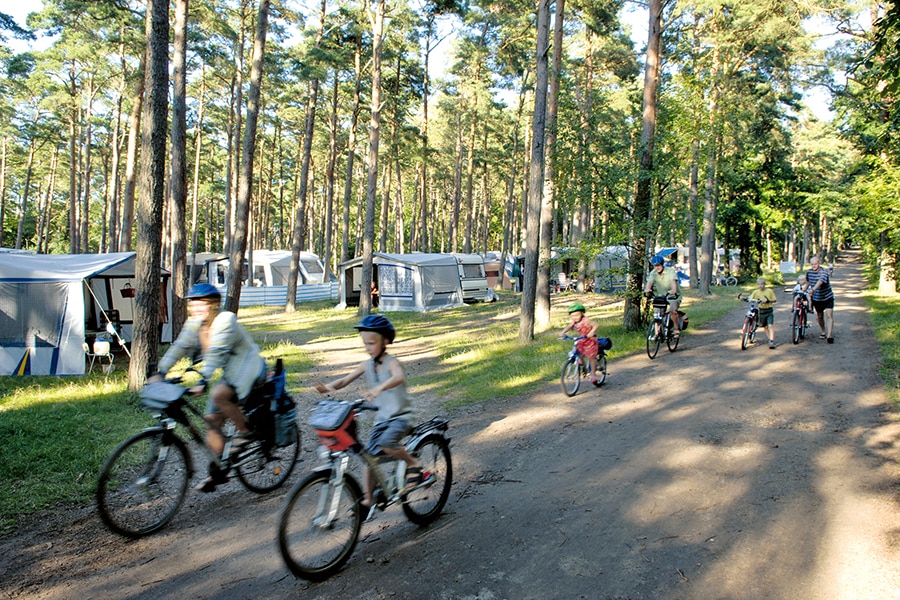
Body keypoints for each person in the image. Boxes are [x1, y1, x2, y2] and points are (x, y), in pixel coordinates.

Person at [152, 283, 267, 492]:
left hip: (250, 367)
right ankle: (220, 470)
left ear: (214, 305)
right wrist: (160, 371)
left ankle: (246, 430)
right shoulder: (194, 324)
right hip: (230, 371)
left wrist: (203, 379)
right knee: (212, 421)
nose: (196, 308)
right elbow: (179, 347)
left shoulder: (226, 320)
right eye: (192, 304)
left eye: (201, 304)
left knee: (218, 394)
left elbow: (216, 352)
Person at [315, 315, 427, 515]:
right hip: (382, 419)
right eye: (365, 343)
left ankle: (413, 463)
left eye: (371, 343)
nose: (367, 347)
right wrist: (328, 387)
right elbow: (345, 380)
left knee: (386, 444)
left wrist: (379, 389)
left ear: (385, 342)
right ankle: (368, 500)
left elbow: (398, 377)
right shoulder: (367, 364)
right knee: (369, 459)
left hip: (401, 416)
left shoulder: (392, 362)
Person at [559, 303, 600, 384]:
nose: (575, 317)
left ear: (582, 313)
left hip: (590, 339)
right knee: (576, 347)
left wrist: (592, 332)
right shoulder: (574, 322)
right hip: (582, 339)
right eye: (573, 316)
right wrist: (563, 332)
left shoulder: (586, 320)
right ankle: (579, 359)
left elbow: (596, 325)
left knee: (591, 356)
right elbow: (569, 327)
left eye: (577, 315)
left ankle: (593, 374)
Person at [643, 254, 682, 338]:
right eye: (655, 266)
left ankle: (676, 329)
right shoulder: (653, 273)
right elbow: (649, 282)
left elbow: (673, 281)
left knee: (672, 311)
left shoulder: (670, 271)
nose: (657, 267)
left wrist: (673, 290)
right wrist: (647, 289)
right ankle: (657, 334)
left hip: (672, 296)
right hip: (660, 296)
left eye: (658, 265)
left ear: (662, 264)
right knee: (657, 315)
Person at [807, 256, 835, 343]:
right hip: (817, 299)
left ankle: (829, 335)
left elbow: (820, 282)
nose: (814, 266)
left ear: (819, 263)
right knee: (820, 316)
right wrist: (803, 289)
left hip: (827, 297)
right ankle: (823, 331)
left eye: (815, 264)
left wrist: (813, 289)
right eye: (812, 264)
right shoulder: (809, 272)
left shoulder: (824, 272)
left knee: (829, 314)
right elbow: (807, 282)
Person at [747, 277, 777, 348]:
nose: (761, 286)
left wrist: (768, 300)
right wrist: (744, 298)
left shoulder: (769, 291)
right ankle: (768, 338)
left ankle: (771, 341)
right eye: (759, 284)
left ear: (764, 284)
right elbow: (750, 298)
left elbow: (774, 300)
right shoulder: (756, 292)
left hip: (769, 310)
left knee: (770, 325)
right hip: (761, 311)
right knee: (765, 326)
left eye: (762, 284)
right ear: (757, 285)